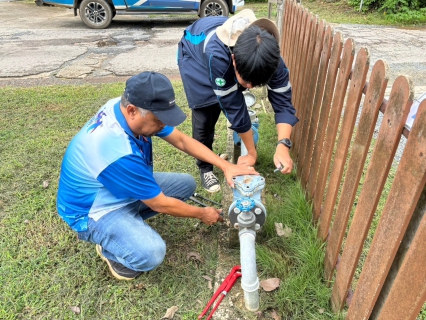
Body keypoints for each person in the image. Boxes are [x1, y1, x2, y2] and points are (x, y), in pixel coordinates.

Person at [56, 71, 257, 281]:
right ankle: (110, 247)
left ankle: (126, 222)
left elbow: (181, 140)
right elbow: (160, 204)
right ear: (132, 111)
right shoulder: (116, 150)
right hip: (91, 211)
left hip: (113, 188)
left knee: (186, 185)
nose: (163, 124)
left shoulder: (123, 107)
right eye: (159, 119)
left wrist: (225, 166)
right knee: (151, 253)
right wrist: (202, 213)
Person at [178, 9, 298, 193]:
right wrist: (251, 152)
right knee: (206, 112)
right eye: (246, 82)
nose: (249, 88)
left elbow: (283, 103)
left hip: (226, 55)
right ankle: (205, 167)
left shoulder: (273, 60)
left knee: (231, 96)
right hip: (194, 53)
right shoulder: (217, 56)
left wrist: (283, 144)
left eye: (255, 84)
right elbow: (234, 107)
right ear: (233, 60)